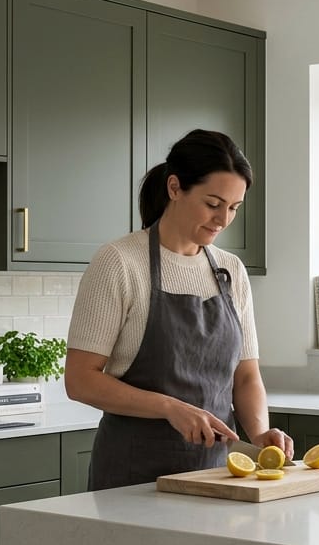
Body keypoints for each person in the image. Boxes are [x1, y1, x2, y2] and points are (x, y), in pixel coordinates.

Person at [65, 128, 292, 490]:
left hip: (216, 476)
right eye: (213, 204)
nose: (223, 219)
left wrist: (260, 432)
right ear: (174, 188)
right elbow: (80, 380)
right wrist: (170, 407)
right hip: (133, 479)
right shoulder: (120, 262)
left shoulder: (231, 270)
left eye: (234, 208)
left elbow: (246, 376)